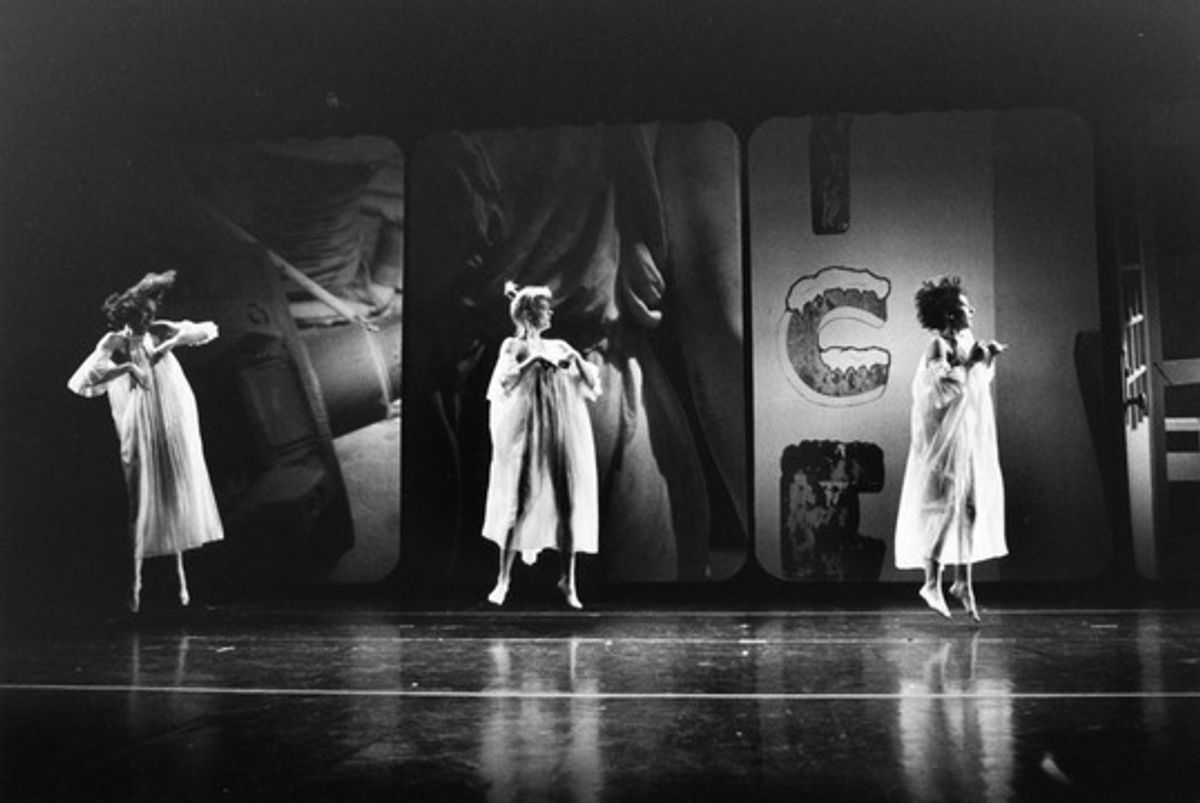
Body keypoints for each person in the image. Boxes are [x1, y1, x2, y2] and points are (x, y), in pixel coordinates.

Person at [68, 270, 224, 612]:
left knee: (173, 487)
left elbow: (207, 330)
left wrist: (171, 343)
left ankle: (182, 585)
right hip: (141, 416)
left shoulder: (158, 330)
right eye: (144, 315)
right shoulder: (116, 341)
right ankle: (135, 586)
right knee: (142, 494)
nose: (149, 320)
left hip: (172, 412)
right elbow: (82, 381)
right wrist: (126, 370)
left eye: (152, 314)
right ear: (129, 314)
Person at [893, 276, 1006, 622]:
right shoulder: (937, 346)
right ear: (948, 314)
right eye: (962, 306)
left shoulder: (966, 340)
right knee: (943, 507)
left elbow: (975, 384)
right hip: (944, 440)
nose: (970, 310)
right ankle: (931, 581)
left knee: (969, 508)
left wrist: (985, 358)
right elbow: (937, 393)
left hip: (968, 434)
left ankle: (963, 583)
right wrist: (970, 361)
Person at [482, 282, 601, 609]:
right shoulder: (514, 346)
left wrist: (576, 358)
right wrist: (533, 359)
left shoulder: (561, 346)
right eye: (545, 307)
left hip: (560, 431)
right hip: (528, 431)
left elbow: (592, 386)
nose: (551, 312)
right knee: (519, 502)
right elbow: (504, 383)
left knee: (567, 504)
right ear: (530, 313)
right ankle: (503, 579)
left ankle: (569, 581)